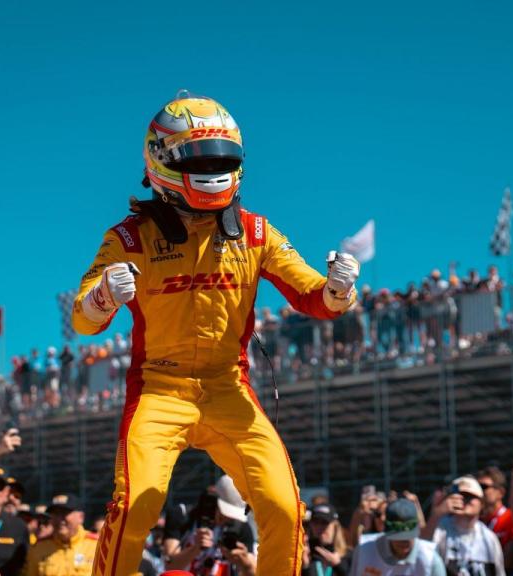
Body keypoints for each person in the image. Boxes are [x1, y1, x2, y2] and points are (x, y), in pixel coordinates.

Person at [72, 92, 360, 576]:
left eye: (222, 159)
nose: (213, 169)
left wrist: (338, 290)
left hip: (229, 389)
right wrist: (103, 294)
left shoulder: (256, 233)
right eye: (200, 158)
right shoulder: (128, 237)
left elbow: (311, 294)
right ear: (161, 159)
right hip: (157, 391)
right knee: (134, 506)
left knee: (286, 509)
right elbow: (84, 320)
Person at [163, 476, 257, 575]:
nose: (228, 519)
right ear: (212, 500)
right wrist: (195, 548)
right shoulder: (182, 515)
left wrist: (245, 564)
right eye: (225, 513)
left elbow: (254, 571)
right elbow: (170, 567)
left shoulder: (240, 527)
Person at [421, 476, 505, 576]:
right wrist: (437, 514)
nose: (464, 500)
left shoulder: (489, 537)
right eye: (459, 496)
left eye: (470, 497)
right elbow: (422, 551)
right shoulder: (441, 529)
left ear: (482, 503)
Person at [350, 499, 445, 576]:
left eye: (408, 536)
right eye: (398, 537)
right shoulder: (364, 551)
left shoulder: (429, 559)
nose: (403, 541)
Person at [24, 493, 98, 576]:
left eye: (64, 513)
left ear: (81, 517)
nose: (59, 519)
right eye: (55, 514)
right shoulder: (39, 547)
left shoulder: (97, 545)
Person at [475, 467, 513, 572]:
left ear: (501, 492)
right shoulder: (473, 522)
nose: (478, 492)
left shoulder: (511, 518)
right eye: (476, 487)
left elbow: (508, 561)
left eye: (483, 487)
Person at [303, 504, 351, 576]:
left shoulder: (348, 555)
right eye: (315, 522)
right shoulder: (307, 553)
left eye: (324, 523)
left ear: (335, 526)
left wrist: (338, 565)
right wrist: (305, 566)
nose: (319, 527)